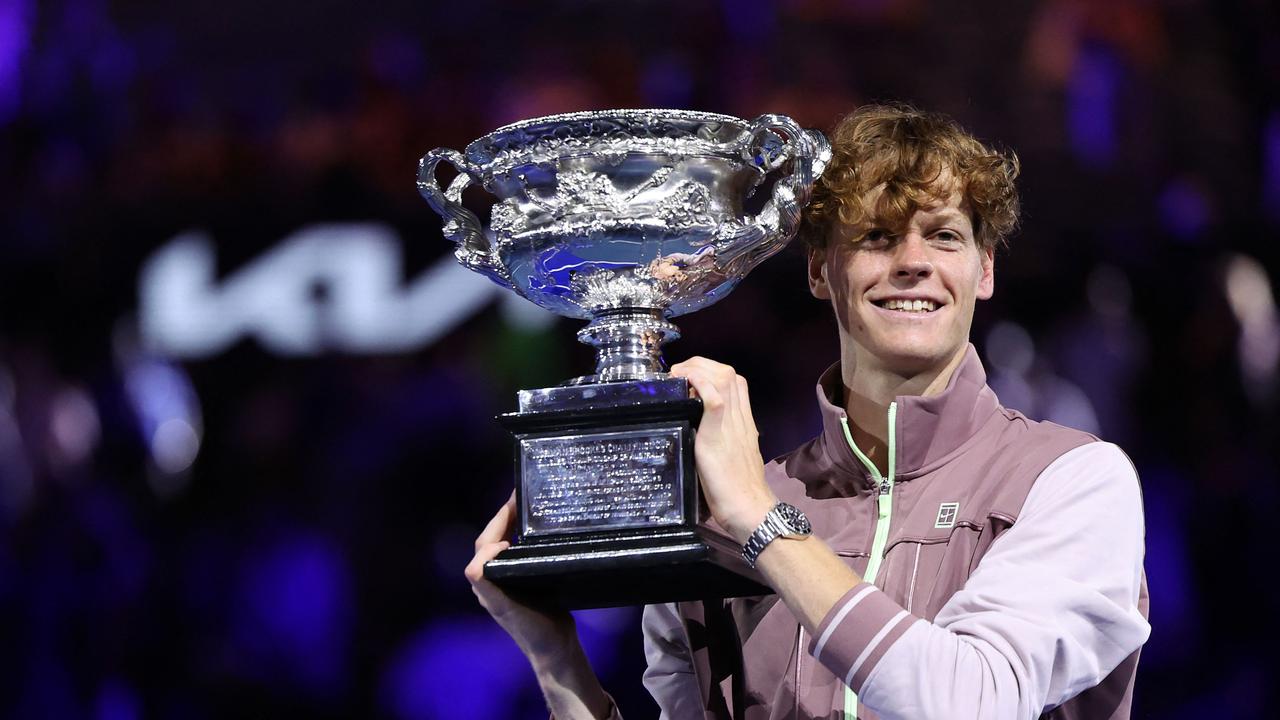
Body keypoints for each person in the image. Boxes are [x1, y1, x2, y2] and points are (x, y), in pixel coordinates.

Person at [465, 104, 1150, 719]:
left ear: (985, 269)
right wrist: (558, 664)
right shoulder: (725, 517)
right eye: (878, 238)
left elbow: (971, 703)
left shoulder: (1070, 481)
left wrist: (764, 524)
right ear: (820, 271)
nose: (913, 262)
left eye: (943, 236)